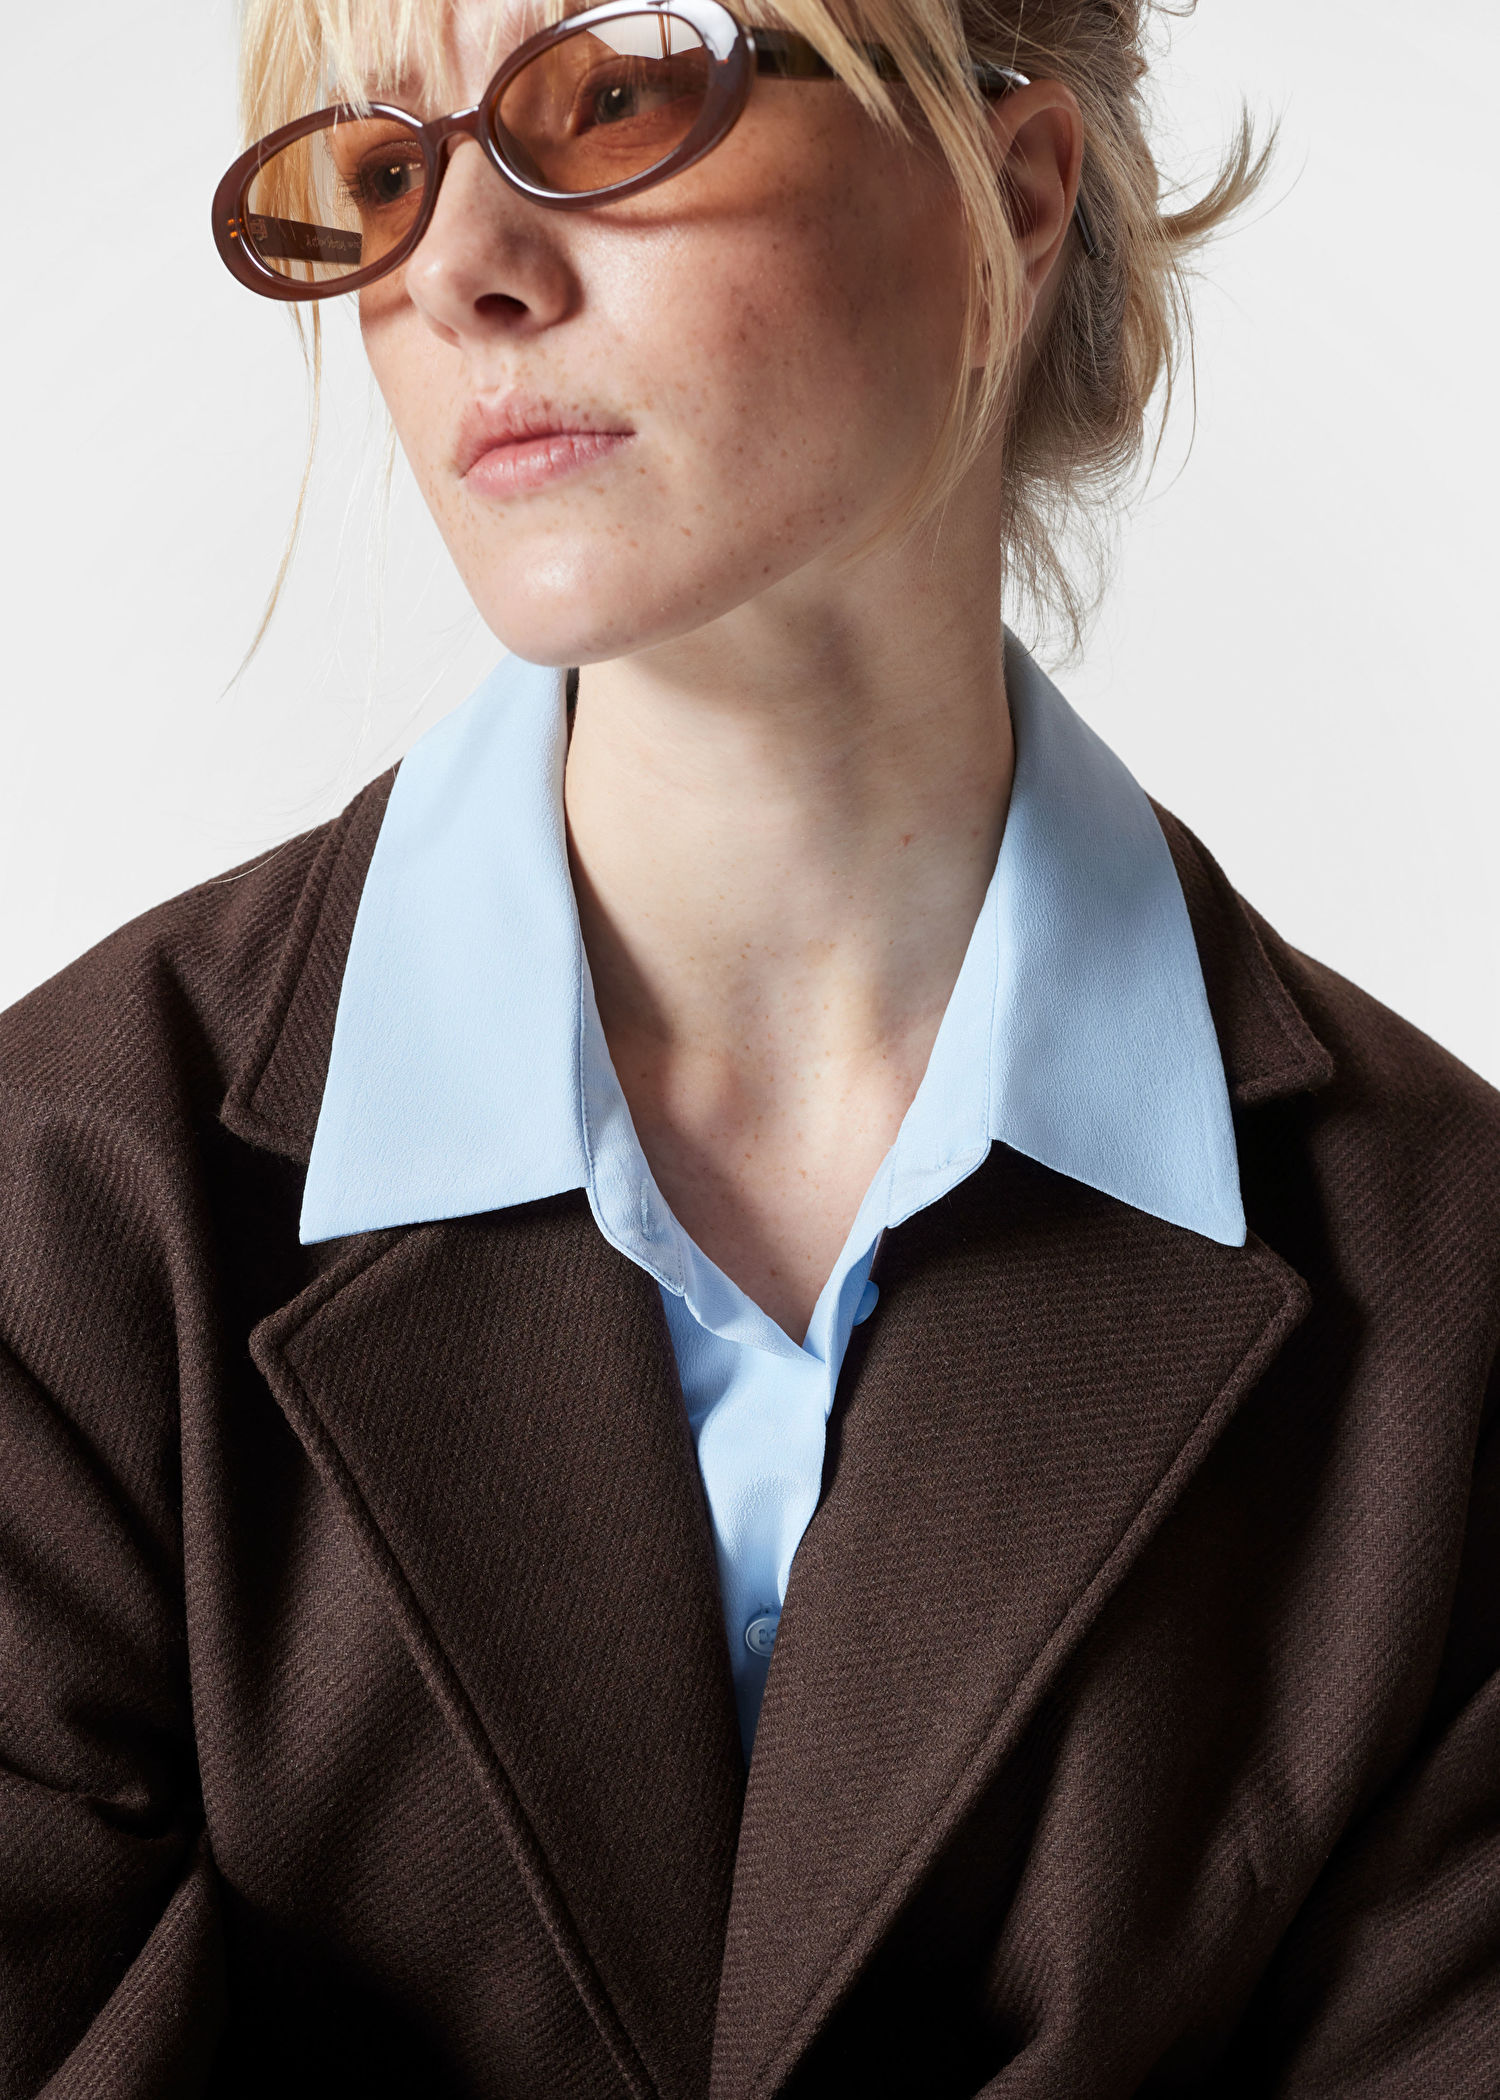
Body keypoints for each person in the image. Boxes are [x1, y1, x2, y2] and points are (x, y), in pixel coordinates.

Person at [2, 0, 1496, 2091]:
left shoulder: (1455, 1297)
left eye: (612, 96)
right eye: (381, 173)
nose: (458, 269)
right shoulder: (57, 1213)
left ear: (1013, 196)